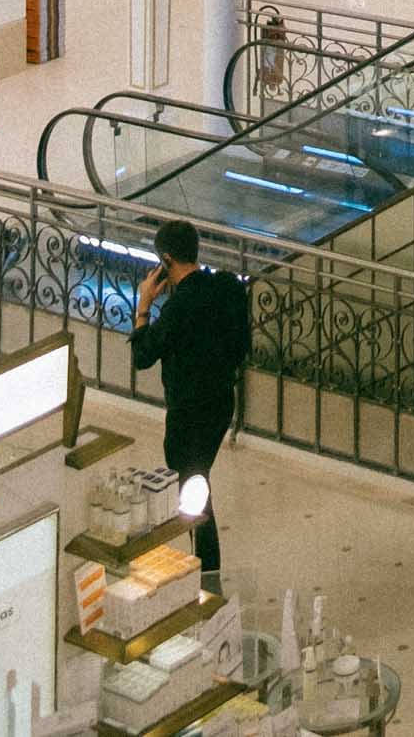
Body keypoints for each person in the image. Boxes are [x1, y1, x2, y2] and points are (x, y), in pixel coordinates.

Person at [130, 221, 251, 585]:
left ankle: (208, 578)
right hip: (220, 405)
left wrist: (144, 305)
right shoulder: (225, 289)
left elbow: (143, 355)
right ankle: (205, 571)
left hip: (189, 413)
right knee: (196, 483)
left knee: (194, 494)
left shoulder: (179, 307)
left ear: (165, 260)